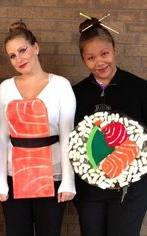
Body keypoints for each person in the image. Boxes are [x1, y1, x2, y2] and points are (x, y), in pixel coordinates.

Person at [0, 20, 76, 236]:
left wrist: (68, 180)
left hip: (52, 173)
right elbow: (2, 137)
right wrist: (0, 180)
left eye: (23, 50)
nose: (19, 58)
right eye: (12, 55)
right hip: (14, 174)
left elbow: (68, 136)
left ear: (36, 47)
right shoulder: (5, 88)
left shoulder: (61, 86)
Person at [73, 16, 147, 236]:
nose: (99, 62)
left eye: (104, 54)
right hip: (89, 191)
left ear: (114, 50)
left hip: (130, 190)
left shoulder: (140, 89)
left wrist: (130, 169)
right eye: (91, 57)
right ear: (84, 60)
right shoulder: (76, 94)